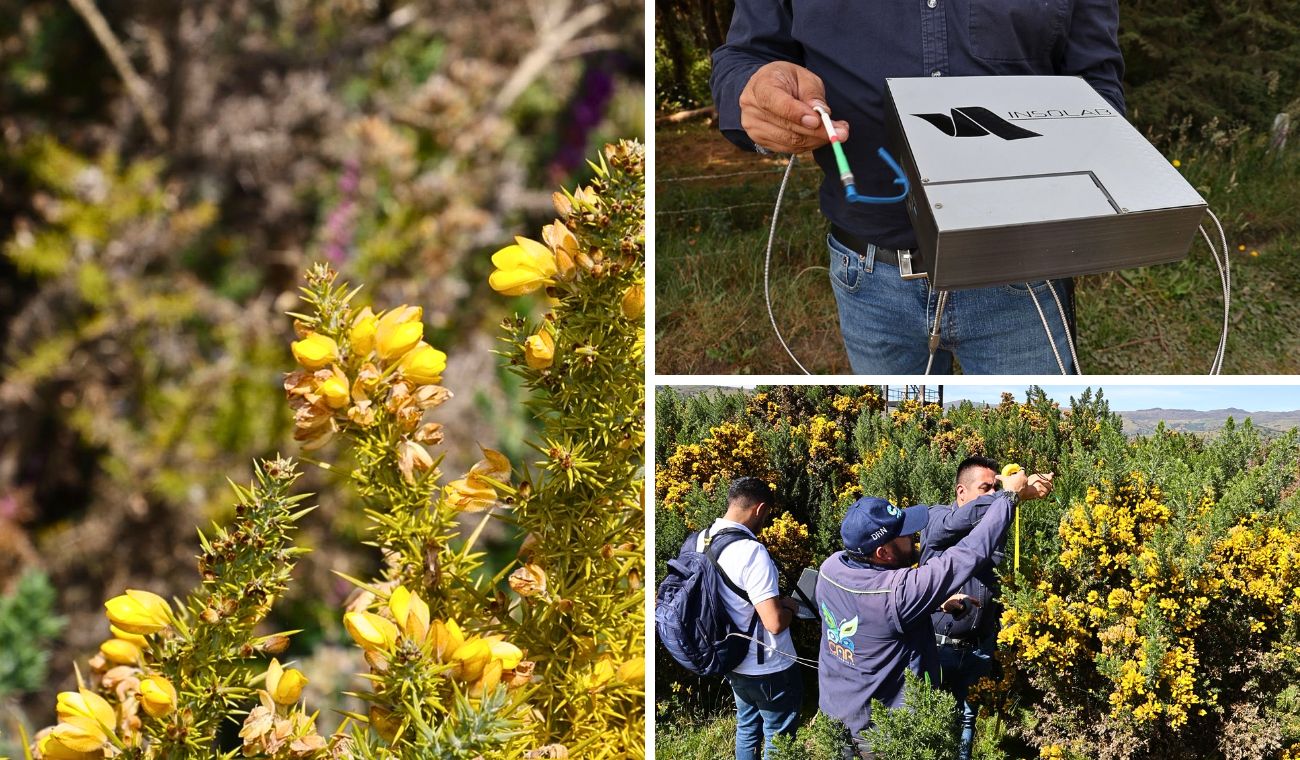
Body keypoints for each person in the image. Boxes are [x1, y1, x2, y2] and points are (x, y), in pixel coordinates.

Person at [709, 0, 1126, 374]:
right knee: (893, 441)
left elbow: (1097, 84)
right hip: (869, 275)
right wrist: (756, 94)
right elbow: (745, 57)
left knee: (1034, 435)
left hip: (1023, 269)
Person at [815, 470, 1051, 757]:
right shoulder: (898, 591)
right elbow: (970, 553)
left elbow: (872, 616)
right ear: (883, 553)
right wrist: (1010, 497)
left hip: (837, 718)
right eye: (904, 535)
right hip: (884, 734)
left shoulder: (831, 569)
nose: (914, 537)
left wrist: (932, 602)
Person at [922, 456, 1054, 760]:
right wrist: (1011, 494)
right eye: (986, 487)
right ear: (961, 492)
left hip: (977, 649)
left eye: (996, 486)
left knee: (967, 719)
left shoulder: (994, 524)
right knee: (930, 721)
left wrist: (1017, 495)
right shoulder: (937, 520)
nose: (994, 492)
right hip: (936, 648)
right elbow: (963, 521)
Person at [693, 476, 803, 760]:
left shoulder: (701, 540)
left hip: (732, 659)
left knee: (747, 727)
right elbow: (774, 623)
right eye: (767, 515)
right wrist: (788, 606)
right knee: (779, 737)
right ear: (760, 509)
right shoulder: (751, 552)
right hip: (769, 668)